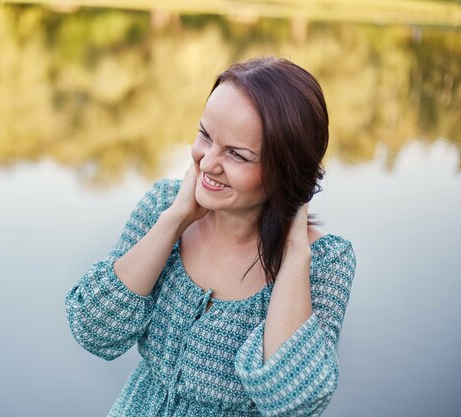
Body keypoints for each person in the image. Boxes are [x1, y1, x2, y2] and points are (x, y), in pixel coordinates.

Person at [65, 56, 357, 417]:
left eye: (236, 154)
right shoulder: (163, 205)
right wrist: (174, 219)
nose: (207, 162)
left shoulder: (324, 262)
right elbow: (93, 328)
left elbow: (293, 403)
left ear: (287, 170)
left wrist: (295, 251)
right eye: (206, 135)